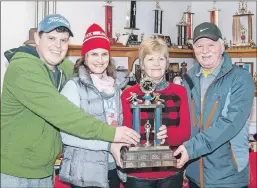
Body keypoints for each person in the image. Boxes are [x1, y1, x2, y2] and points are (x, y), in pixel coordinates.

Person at [1, 14, 140, 188]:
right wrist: (112, 136)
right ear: (37, 37)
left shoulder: (63, 68)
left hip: (44, 169)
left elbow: (99, 82)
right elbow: (64, 115)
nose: (57, 46)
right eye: (51, 38)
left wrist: (139, 93)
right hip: (15, 172)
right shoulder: (23, 69)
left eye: (63, 40)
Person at [174, 22, 255, 188]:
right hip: (194, 173)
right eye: (199, 46)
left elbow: (230, 123)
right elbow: (183, 120)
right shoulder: (188, 78)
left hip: (228, 176)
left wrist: (191, 148)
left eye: (211, 45)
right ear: (193, 50)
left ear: (222, 46)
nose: (205, 51)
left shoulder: (240, 79)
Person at [58, 23, 128, 188]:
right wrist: (108, 145)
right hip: (85, 173)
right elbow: (66, 135)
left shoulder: (116, 86)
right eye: (94, 54)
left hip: (113, 167)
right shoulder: (73, 87)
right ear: (85, 57)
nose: (100, 60)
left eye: (104, 54)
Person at [121, 38, 191, 188]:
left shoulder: (180, 92)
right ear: (142, 64)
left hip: (171, 172)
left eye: (161, 58)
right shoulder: (128, 94)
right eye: (150, 58)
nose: (156, 63)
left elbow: (185, 132)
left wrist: (166, 135)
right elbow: (126, 133)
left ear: (167, 63)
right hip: (137, 173)